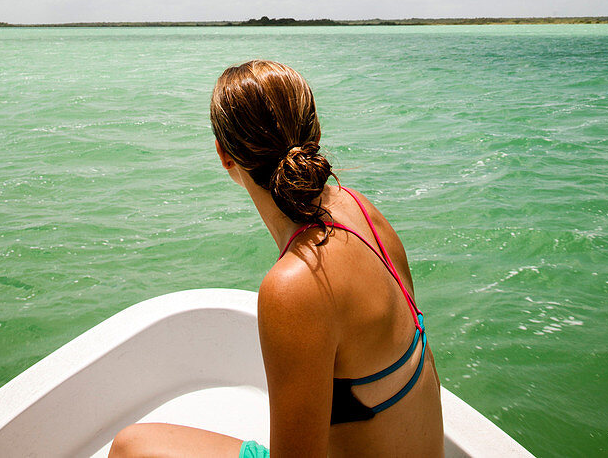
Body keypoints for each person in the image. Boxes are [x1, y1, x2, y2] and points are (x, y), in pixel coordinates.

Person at [109, 60, 444, 458]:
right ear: (314, 131)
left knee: (132, 447)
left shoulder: (296, 284)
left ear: (224, 154)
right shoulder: (360, 210)